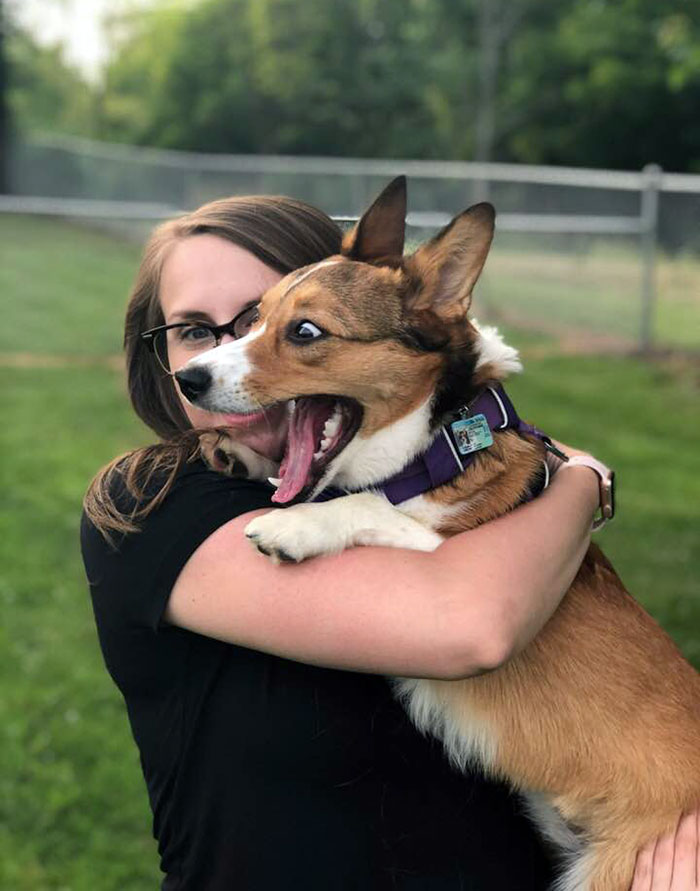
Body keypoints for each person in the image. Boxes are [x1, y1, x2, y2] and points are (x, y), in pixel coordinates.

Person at [81, 195, 699, 890]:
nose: (227, 353)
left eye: (269, 321)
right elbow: (472, 624)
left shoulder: (386, 469)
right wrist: (586, 485)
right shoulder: (154, 511)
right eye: (194, 329)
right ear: (157, 347)